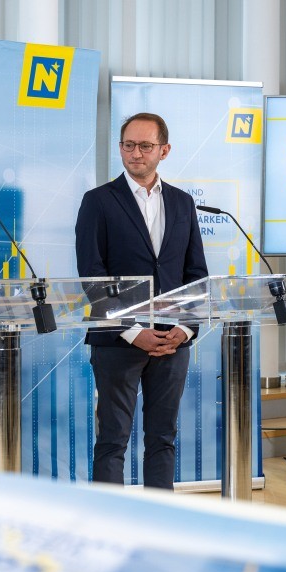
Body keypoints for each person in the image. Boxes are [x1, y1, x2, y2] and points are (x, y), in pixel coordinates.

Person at [75, 112, 208, 489]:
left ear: (164, 150)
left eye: (145, 146)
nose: (136, 153)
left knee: (162, 439)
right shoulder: (98, 202)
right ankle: (110, 529)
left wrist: (184, 329)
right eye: (128, 145)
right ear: (120, 148)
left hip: (172, 343)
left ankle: (158, 524)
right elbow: (92, 276)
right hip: (118, 342)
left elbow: (196, 274)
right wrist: (133, 332)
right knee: (112, 440)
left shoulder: (183, 203)